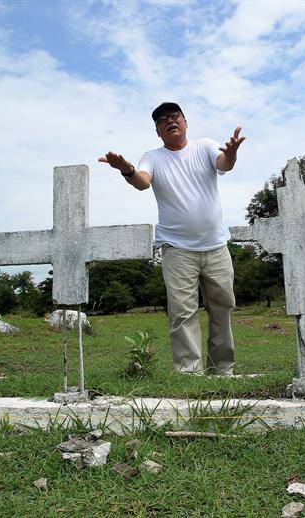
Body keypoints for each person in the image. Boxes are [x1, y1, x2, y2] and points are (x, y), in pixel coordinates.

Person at [99, 102, 245, 375]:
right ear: (157, 131)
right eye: (162, 120)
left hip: (216, 246)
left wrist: (232, 154)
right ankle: (189, 374)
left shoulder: (204, 146)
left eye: (175, 116)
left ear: (185, 121)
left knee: (222, 310)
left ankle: (222, 372)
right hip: (177, 249)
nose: (170, 121)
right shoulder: (152, 157)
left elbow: (223, 162)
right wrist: (127, 170)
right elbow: (143, 181)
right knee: (182, 313)